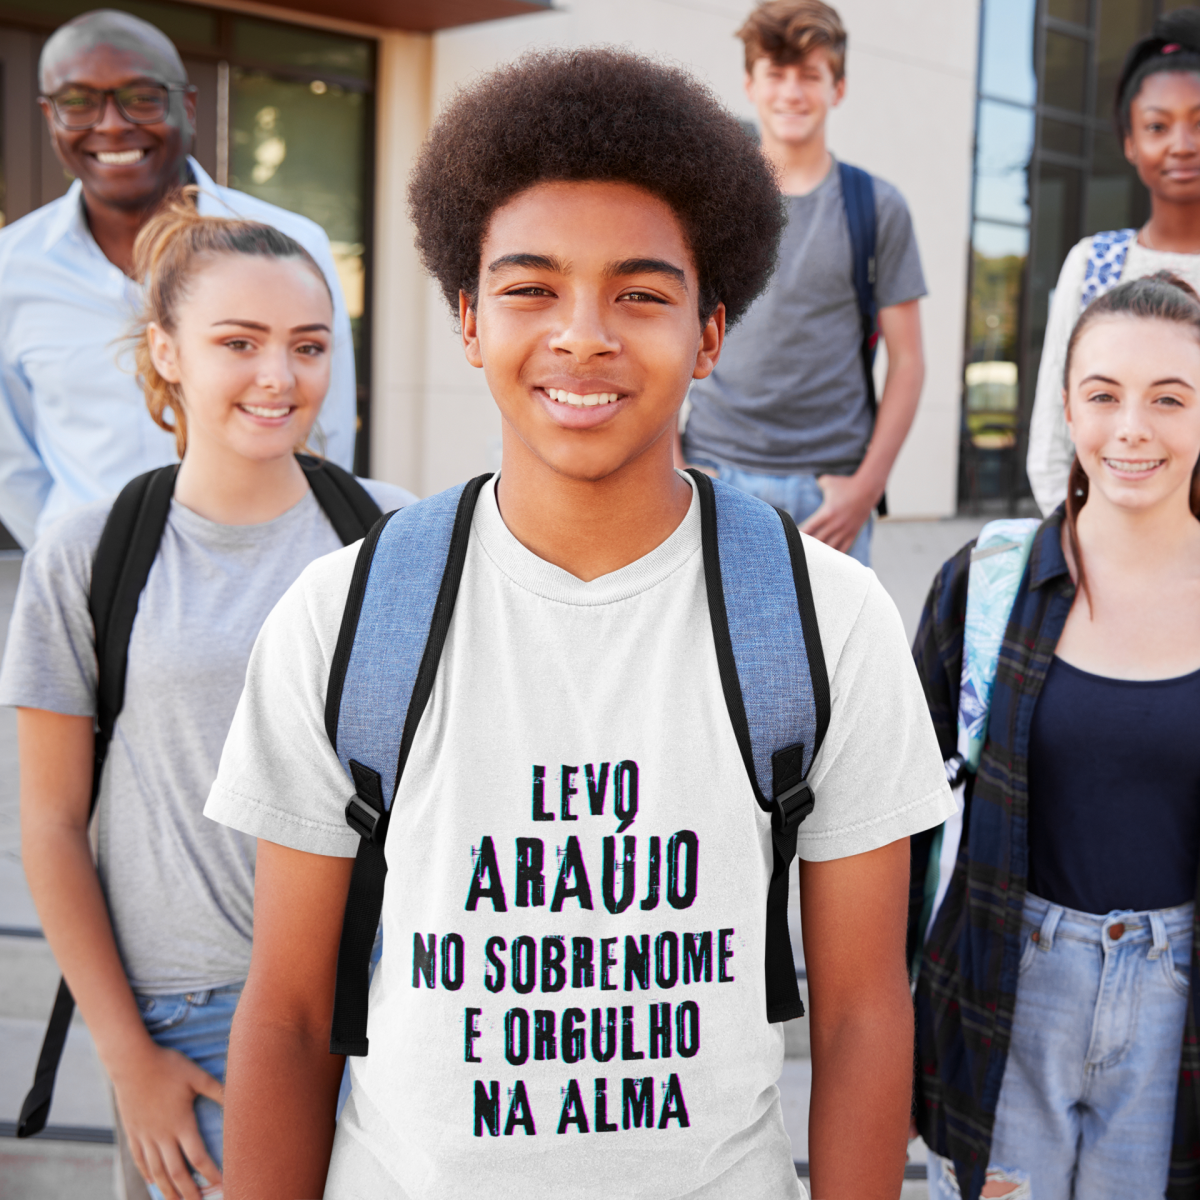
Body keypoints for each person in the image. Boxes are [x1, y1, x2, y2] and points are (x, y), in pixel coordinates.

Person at [205, 46, 955, 1200]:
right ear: (468, 318)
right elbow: (292, 1014)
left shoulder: (826, 619)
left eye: (641, 294)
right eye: (531, 289)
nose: (584, 334)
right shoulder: (346, 616)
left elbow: (860, 1012)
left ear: (710, 332)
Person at [0, 199, 413, 1200]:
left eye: (308, 346)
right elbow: (50, 826)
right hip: (190, 1020)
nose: (279, 376)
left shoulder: (397, 537)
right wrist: (128, 1058)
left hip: (387, 999)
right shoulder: (87, 552)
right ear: (166, 352)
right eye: (239, 342)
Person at [912, 272, 1200, 1198]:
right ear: (1067, 408)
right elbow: (898, 815)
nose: (1132, 429)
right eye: (1103, 395)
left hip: (1177, 1016)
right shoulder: (988, 583)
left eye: (1170, 399)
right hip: (1008, 986)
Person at [0, 8, 358, 549]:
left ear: (187, 107)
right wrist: (70, 556)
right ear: (49, 116)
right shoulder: (11, 269)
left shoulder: (290, 245)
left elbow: (322, 429)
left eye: (141, 97)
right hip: (90, 575)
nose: (111, 124)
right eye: (78, 102)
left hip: (264, 566)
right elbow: (11, 460)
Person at [678, 0, 926, 566]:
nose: (792, 92)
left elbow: (909, 362)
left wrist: (867, 488)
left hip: (830, 491)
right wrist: (676, 465)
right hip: (714, 474)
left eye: (810, 75)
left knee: (829, 632)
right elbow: (670, 332)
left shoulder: (877, 207)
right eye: (776, 73)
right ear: (750, 84)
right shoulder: (711, 206)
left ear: (838, 88)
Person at [1028, 8, 1200, 515]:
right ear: (1130, 141)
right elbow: (1051, 433)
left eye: (1199, 123)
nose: (1181, 145)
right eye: (1157, 126)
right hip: (1101, 542)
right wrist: (1077, 538)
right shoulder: (1093, 264)